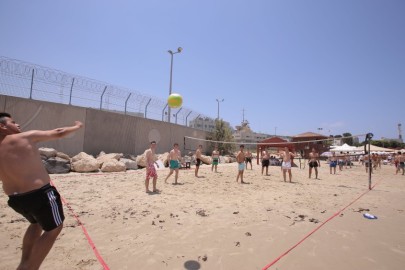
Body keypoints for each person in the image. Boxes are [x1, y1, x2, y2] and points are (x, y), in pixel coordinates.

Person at [0, 112, 83, 270]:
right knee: (54, 229)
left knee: (35, 224)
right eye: (13, 122)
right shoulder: (24, 137)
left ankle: (25, 262)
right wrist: (76, 126)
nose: (18, 125)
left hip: (16, 200)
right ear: (2, 126)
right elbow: (59, 133)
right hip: (40, 195)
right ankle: (30, 267)